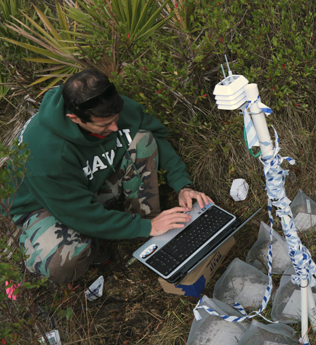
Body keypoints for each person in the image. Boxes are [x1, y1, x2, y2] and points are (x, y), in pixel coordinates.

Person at [8, 69, 212, 283]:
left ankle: (144, 227)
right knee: (63, 262)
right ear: (74, 118)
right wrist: (144, 228)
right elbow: (79, 213)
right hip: (44, 205)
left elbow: (154, 134)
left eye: (116, 119)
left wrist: (182, 185)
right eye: (105, 125)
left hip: (89, 184)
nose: (115, 127)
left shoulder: (102, 104)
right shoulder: (45, 151)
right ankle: (57, 243)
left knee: (142, 139)